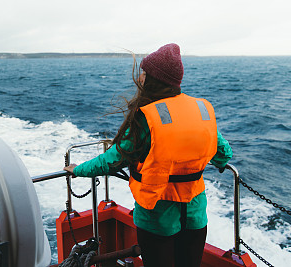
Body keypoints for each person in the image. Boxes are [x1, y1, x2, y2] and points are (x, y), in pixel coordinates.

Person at [64, 43, 232, 267]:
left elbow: (113, 160)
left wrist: (78, 169)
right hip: (195, 215)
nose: (140, 77)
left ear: (152, 78)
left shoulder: (148, 117)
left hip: (157, 218)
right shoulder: (201, 109)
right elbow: (223, 154)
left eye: (144, 73)